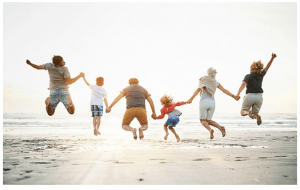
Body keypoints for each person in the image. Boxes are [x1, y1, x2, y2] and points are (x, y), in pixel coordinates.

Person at [187, 67, 239, 139]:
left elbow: (197, 90)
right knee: (208, 120)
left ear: (208, 73)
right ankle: (221, 128)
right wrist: (234, 96)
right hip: (212, 103)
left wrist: (191, 99)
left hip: (203, 102)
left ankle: (210, 130)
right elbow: (225, 91)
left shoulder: (203, 81)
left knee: (202, 120)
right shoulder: (216, 83)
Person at [235, 53, 277, 125]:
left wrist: (238, 94)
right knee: (255, 114)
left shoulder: (248, 76)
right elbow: (267, 67)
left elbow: (243, 85)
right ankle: (257, 116)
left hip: (250, 96)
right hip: (259, 97)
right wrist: (272, 58)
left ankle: (248, 112)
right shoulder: (261, 75)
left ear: (251, 68)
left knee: (243, 112)